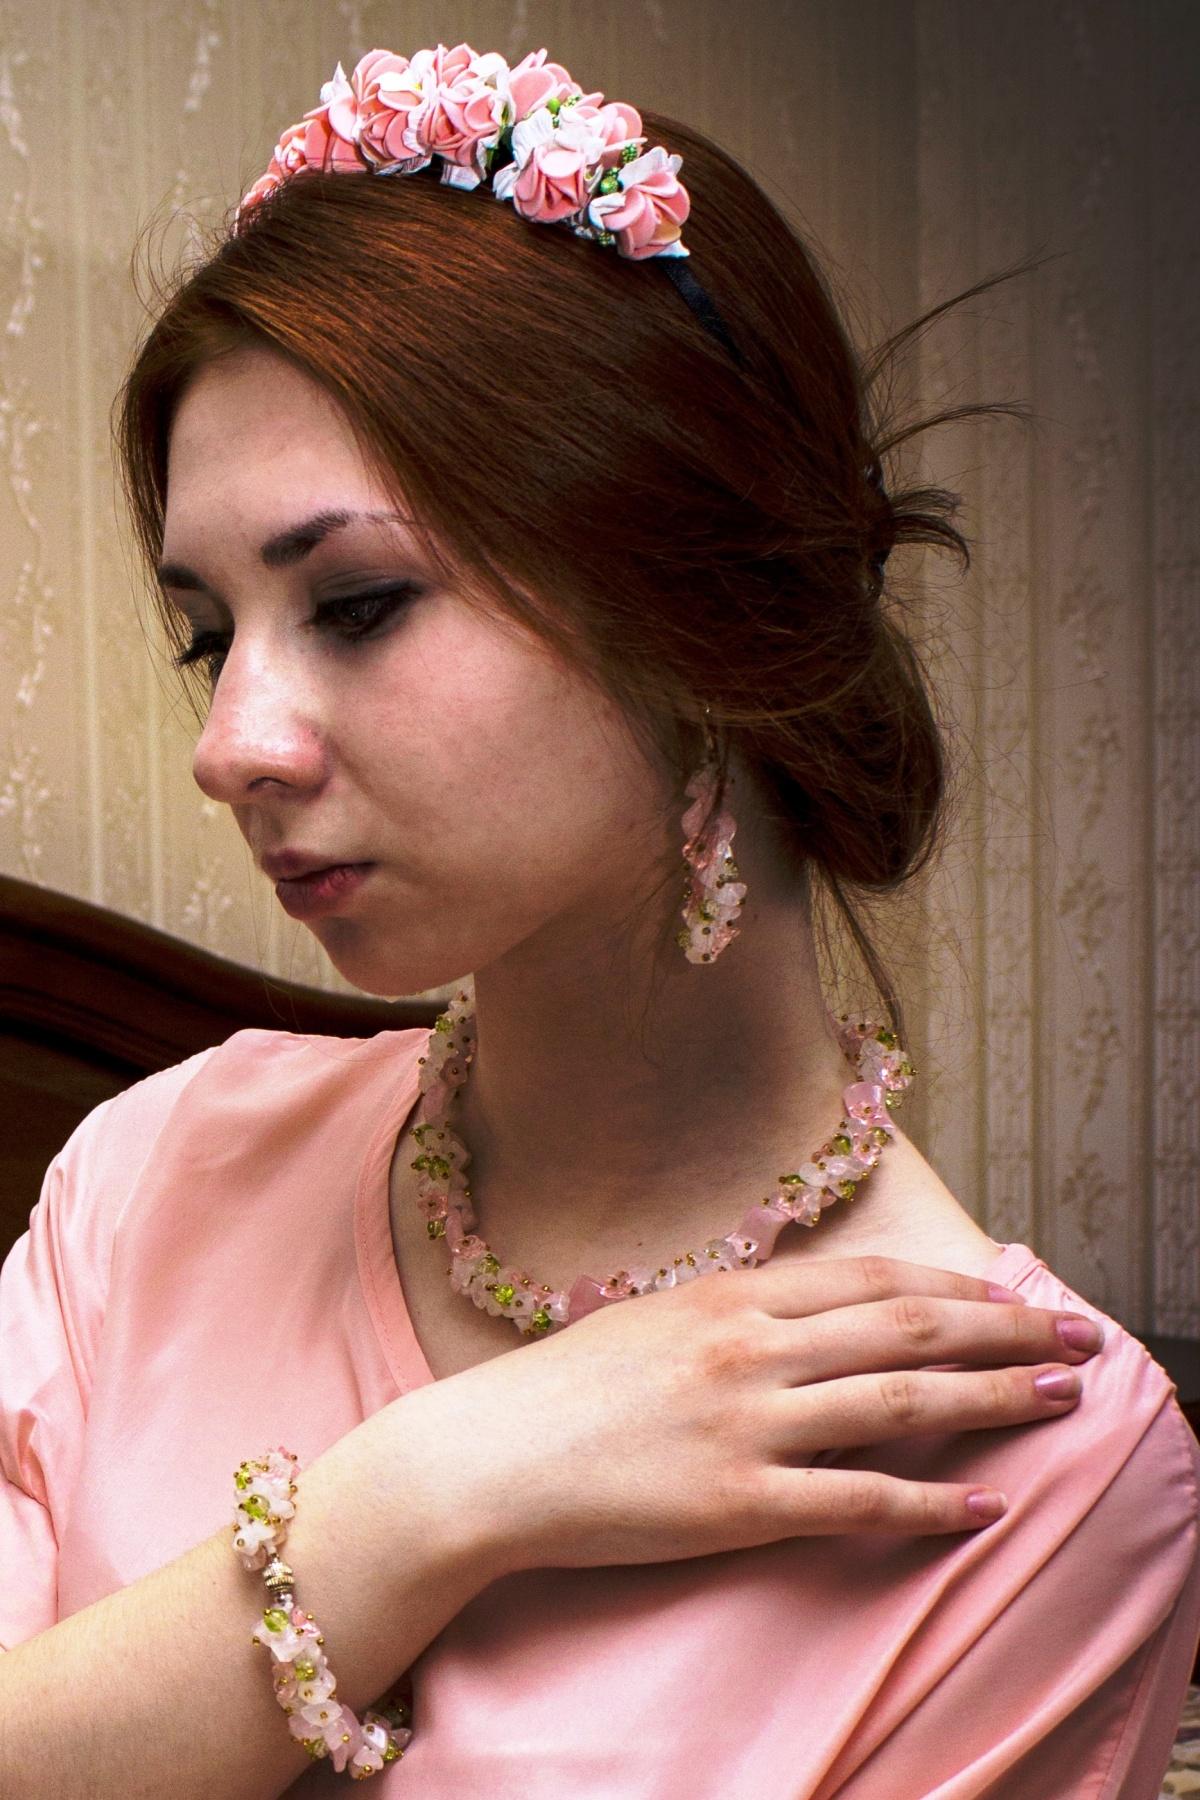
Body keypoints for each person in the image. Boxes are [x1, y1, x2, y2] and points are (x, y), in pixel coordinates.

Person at [1, 39, 1197, 1799]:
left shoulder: (1027, 1466)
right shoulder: (152, 1174)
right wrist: (429, 1494)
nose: (229, 744)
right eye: (208, 632)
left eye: (357, 602)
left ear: (692, 609)